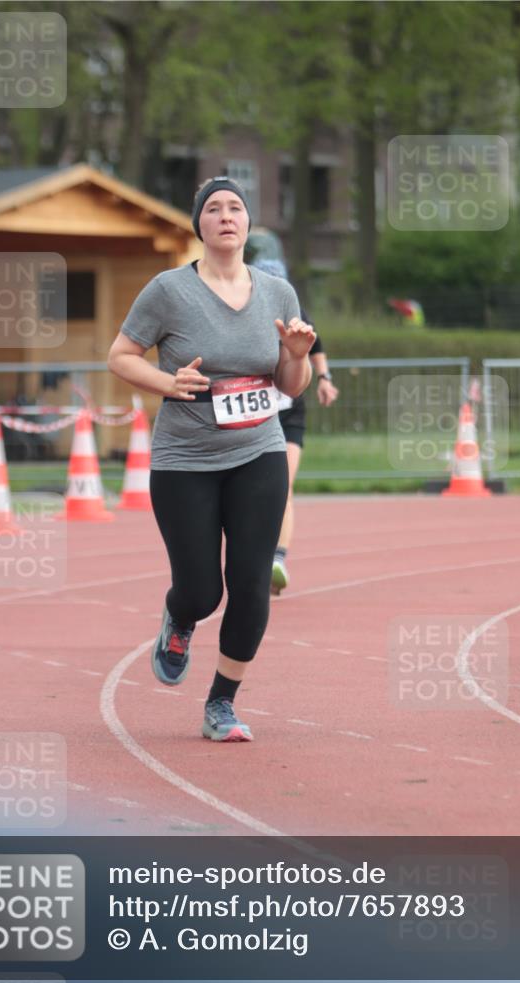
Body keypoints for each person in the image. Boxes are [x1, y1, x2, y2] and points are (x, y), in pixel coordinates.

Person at [108, 177, 315, 742]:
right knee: (203, 591)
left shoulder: (278, 293)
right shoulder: (168, 290)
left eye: (236, 208)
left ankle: (221, 703)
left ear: (248, 224)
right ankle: (180, 618)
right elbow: (121, 356)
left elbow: (290, 385)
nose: (226, 215)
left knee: (251, 583)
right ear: (198, 224)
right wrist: (167, 382)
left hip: (258, 452)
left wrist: (298, 357)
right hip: (185, 459)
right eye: (214, 208)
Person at [248, 259, 339, 595]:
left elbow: (317, 346)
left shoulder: (296, 313)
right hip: (252, 414)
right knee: (247, 493)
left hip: (288, 415)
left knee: (283, 485)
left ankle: (278, 560)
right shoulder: (242, 314)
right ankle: (251, 556)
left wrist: (325, 378)